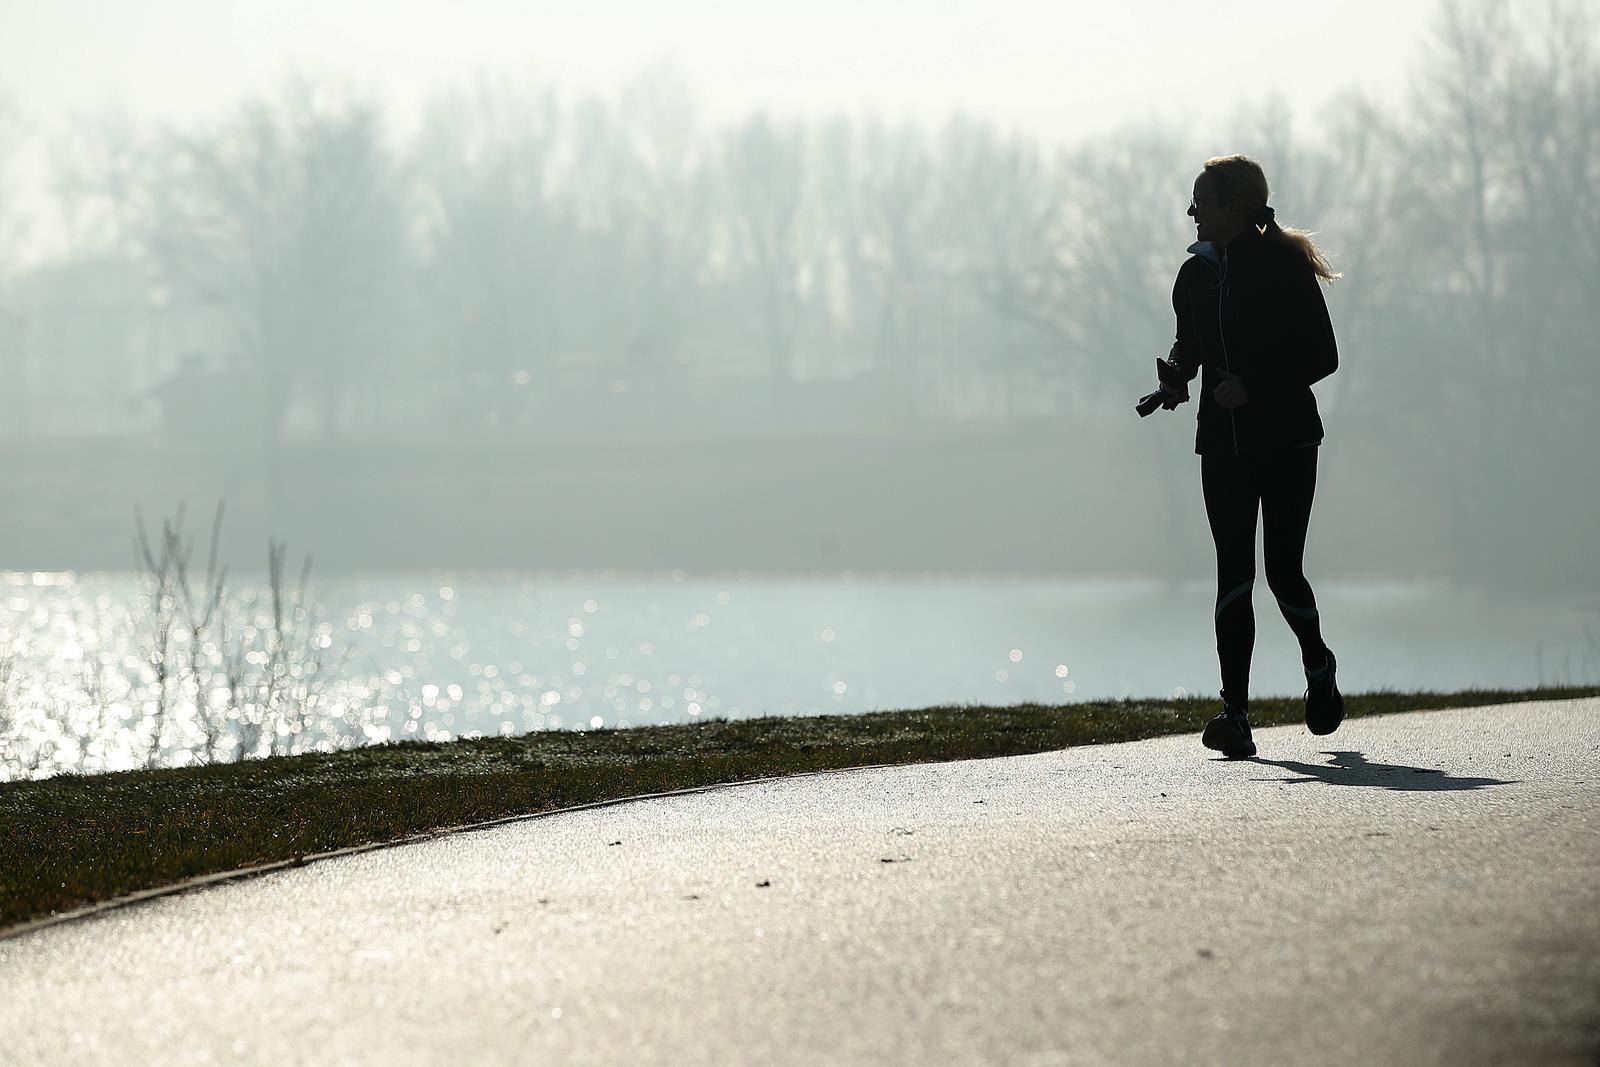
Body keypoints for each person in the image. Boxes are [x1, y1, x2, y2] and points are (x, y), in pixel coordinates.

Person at [1154, 154, 1344, 758]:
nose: (1191, 212)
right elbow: (1191, 342)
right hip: (1224, 445)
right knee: (1233, 570)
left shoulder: (1285, 265)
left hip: (1286, 440)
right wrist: (1177, 376)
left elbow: (1322, 356)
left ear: (1233, 207)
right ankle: (1235, 715)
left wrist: (1255, 385)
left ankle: (1317, 666)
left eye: (1200, 202)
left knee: (1282, 568)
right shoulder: (1195, 275)